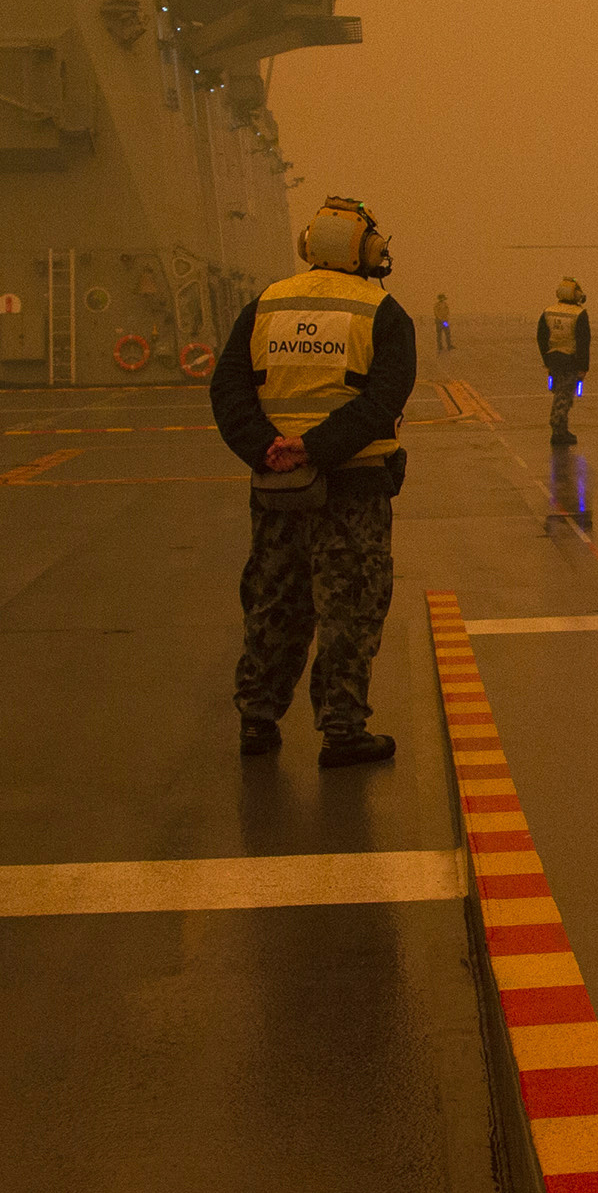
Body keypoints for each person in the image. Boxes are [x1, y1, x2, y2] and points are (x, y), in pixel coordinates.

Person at [210, 195, 417, 767]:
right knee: (349, 607)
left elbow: (227, 390)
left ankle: (257, 719)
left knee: (274, 602)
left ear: (309, 246)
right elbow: (382, 403)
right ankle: (343, 730)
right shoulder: (384, 314)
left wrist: (266, 448)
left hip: (276, 490)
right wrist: (318, 447)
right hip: (353, 489)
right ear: (366, 249)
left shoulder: (264, 306)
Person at [537, 276, 591, 446]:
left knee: (559, 392)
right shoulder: (579, 314)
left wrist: (546, 359)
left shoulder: (548, 311)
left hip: (553, 358)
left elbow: (541, 337)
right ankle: (558, 430)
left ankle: (561, 428)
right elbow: (583, 342)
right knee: (564, 395)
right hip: (570, 359)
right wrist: (583, 367)